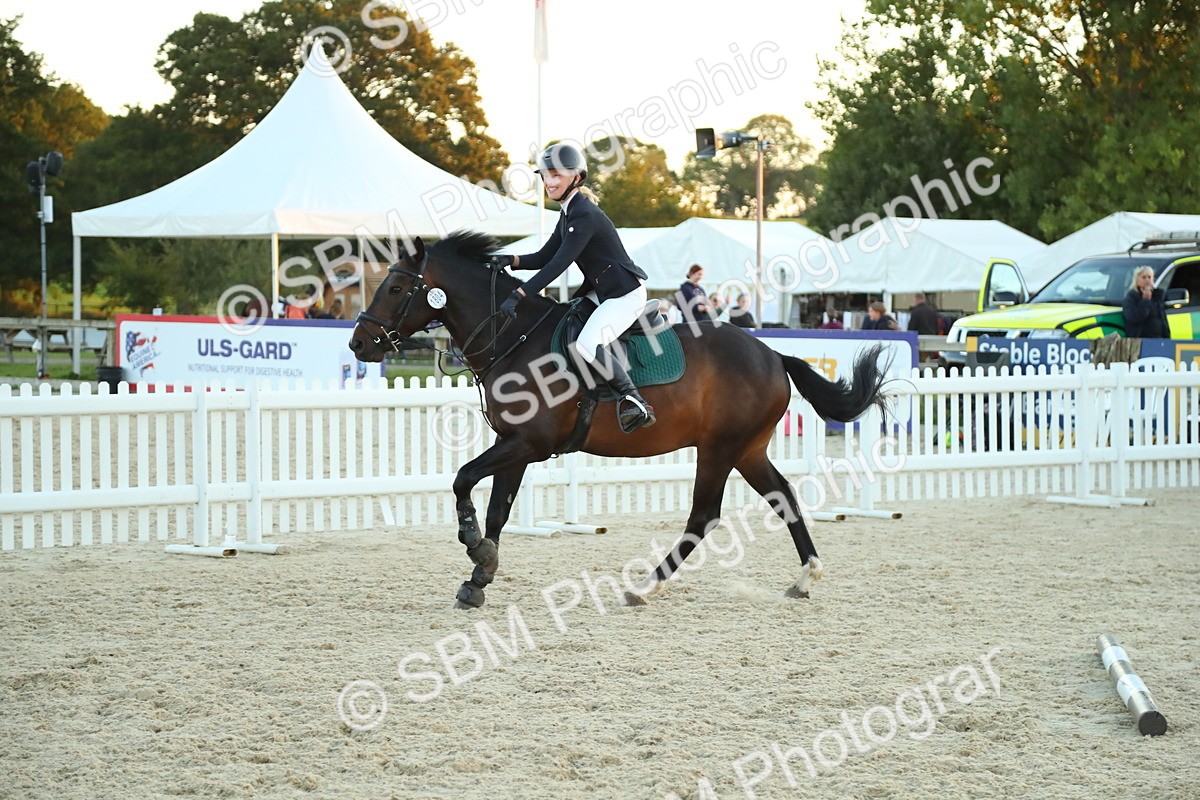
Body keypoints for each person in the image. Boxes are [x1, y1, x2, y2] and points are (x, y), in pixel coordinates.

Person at [489, 143, 655, 433]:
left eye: (556, 175)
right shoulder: (568, 212)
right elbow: (543, 257)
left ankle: (633, 400)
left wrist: (520, 294)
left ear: (576, 177)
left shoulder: (584, 215)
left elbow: (558, 264)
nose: (549, 182)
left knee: (586, 344)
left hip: (624, 294)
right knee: (563, 322)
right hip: (602, 291)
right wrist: (508, 260)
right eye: (545, 176)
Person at [1122, 265, 1169, 338]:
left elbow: (1162, 320)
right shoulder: (1132, 297)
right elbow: (1133, 317)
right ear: (1137, 280)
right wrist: (1145, 300)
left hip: (1158, 340)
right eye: (1144, 277)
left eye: (1149, 277)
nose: (1147, 280)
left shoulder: (1157, 296)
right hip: (1140, 341)